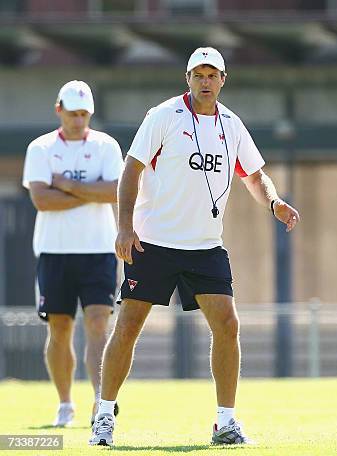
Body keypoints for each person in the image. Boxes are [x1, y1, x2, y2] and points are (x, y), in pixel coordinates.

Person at [89, 47, 300, 447]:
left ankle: (226, 422)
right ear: (188, 78)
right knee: (129, 326)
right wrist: (123, 227)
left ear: (223, 80)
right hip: (153, 243)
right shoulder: (163, 116)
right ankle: (103, 416)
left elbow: (254, 175)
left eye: (212, 75)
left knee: (228, 324)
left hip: (205, 247)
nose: (205, 82)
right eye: (198, 75)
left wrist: (274, 201)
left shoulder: (232, 125)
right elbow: (130, 170)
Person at [22, 80, 123, 426]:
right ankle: (65, 403)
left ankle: (100, 403)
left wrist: (66, 185)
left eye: (84, 114)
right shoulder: (41, 148)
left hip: (99, 250)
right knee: (60, 327)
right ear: (58, 110)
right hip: (54, 251)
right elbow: (41, 199)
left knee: (98, 323)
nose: (78, 120)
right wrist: (89, 192)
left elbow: (116, 193)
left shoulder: (106, 146)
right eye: (72, 113)